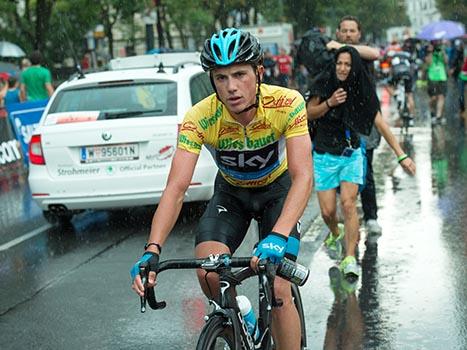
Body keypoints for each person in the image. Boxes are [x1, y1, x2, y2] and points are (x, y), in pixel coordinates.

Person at [130, 28, 312, 350]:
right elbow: (176, 188)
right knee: (208, 272)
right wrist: (152, 249)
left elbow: (303, 177)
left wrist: (279, 235)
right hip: (232, 194)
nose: (231, 87)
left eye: (239, 74)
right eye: (221, 77)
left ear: (258, 71)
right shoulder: (199, 117)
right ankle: (241, 312)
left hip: (278, 192)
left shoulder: (287, 103)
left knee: (279, 288)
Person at [331, 15, 383, 235]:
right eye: (344, 31)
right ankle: (343, 215)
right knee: (337, 169)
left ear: (359, 34)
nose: (348, 34)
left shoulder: (364, 53)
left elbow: (375, 53)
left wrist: (341, 46)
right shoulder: (334, 56)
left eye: (352, 31)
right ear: (338, 31)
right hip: (338, 121)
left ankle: (371, 217)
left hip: (364, 122)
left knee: (366, 171)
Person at [425, 41, 448, 125]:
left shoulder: (441, 51)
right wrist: (430, 52)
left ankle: (438, 116)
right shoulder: (428, 51)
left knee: (441, 97)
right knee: (433, 98)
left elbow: (446, 62)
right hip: (432, 77)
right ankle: (432, 112)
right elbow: (428, 63)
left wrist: (443, 51)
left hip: (442, 77)